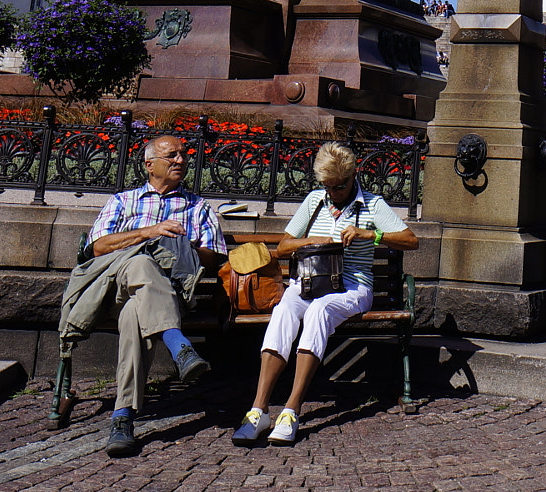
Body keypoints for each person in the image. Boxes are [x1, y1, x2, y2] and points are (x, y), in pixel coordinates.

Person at [232, 143, 416, 448]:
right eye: (327, 186)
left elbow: (411, 241)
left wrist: (371, 234)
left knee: (319, 311)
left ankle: (291, 410)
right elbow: (283, 248)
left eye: (339, 186)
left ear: (353, 175)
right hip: (309, 283)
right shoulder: (314, 201)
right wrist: (313, 241)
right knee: (284, 310)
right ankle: (259, 410)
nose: (333, 192)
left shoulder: (371, 204)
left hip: (353, 288)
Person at [75, 136, 225, 457]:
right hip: (116, 289)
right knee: (141, 262)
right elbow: (98, 247)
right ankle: (177, 344)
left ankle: (123, 418)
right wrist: (149, 233)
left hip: (171, 294)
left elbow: (214, 257)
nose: (181, 161)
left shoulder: (197, 207)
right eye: (171, 156)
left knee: (134, 314)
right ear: (149, 164)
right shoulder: (123, 201)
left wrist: (186, 245)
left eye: (183, 156)